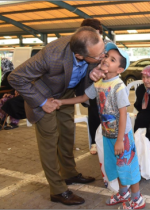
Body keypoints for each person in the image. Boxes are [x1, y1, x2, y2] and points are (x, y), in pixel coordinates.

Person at [8, 26, 105, 205]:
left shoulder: (92, 44)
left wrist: (92, 74)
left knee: (67, 133)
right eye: (98, 56)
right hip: (43, 95)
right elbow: (16, 77)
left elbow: (102, 60)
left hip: (66, 91)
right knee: (50, 140)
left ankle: (69, 173)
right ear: (79, 55)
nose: (102, 57)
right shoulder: (51, 55)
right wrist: (43, 103)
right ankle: (58, 190)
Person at [55, 42, 145, 209]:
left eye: (112, 59)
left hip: (122, 137)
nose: (106, 60)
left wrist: (120, 140)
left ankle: (137, 198)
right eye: (106, 56)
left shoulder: (119, 87)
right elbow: (82, 98)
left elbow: (124, 114)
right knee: (114, 165)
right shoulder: (99, 83)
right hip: (107, 134)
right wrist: (61, 101)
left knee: (127, 166)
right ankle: (123, 192)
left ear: (119, 70)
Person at [80, 18, 106, 155]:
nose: (95, 37)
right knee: (94, 114)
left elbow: (119, 60)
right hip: (90, 86)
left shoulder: (107, 44)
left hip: (107, 86)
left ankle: (108, 140)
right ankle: (95, 142)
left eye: (97, 33)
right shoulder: (81, 47)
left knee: (108, 113)